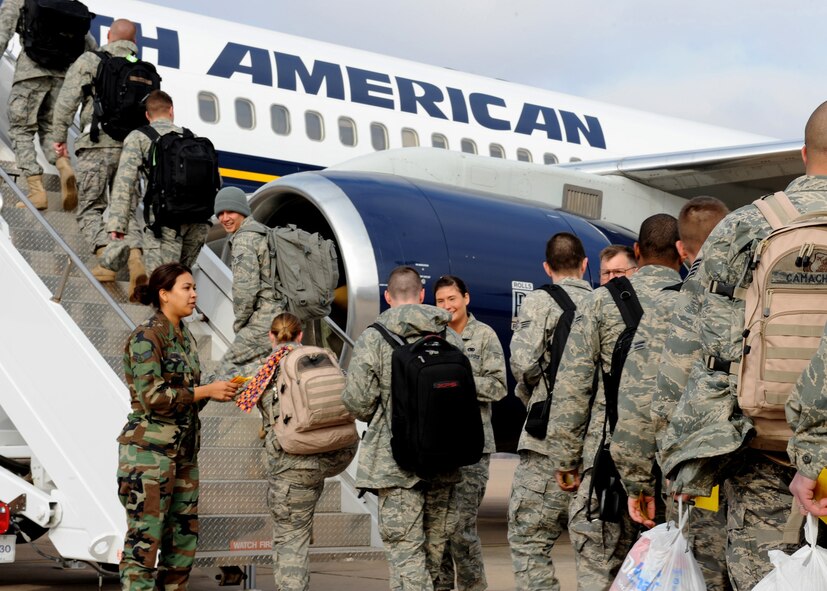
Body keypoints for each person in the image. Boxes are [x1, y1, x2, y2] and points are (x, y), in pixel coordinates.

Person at [659, 102, 827, 590]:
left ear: (802, 154)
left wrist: (680, 458)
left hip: (762, 453)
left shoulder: (744, 226)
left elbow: (684, 353)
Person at [548, 214, 681, 591]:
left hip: (605, 462)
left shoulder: (600, 303)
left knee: (599, 567)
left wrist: (565, 459)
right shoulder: (697, 300)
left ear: (638, 252)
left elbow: (573, 387)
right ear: (682, 253)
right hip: (676, 469)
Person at [610, 197, 731, 591]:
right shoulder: (757, 297)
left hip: (693, 475)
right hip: (769, 477)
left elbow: (639, 401)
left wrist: (637, 481)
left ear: (681, 250)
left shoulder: (669, 306)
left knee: (698, 574)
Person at [116, 262, 240, 589]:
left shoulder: (184, 336)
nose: (194, 293)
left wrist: (219, 390)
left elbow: (187, 397)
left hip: (183, 456)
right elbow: (152, 397)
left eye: (194, 287)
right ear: (164, 294)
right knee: (144, 544)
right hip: (149, 457)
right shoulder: (147, 337)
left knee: (182, 544)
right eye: (186, 288)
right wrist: (205, 390)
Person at [342, 265, 462, 590]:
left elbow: (359, 403)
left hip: (395, 465)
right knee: (432, 561)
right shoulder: (450, 336)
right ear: (422, 295)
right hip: (444, 464)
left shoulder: (373, 338)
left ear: (387, 296)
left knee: (406, 561)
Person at [233, 312, 357, 591]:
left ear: (271, 337)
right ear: (301, 335)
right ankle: (302, 524)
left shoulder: (267, 368)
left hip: (294, 465)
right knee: (301, 518)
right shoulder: (323, 357)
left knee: (291, 540)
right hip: (333, 454)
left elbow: (252, 402)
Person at [507, 232, 591, 591]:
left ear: (546, 266)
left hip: (548, 442)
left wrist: (535, 396)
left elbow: (523, 362)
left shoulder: (539, 302)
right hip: (596, 440)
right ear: (585, 265)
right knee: (593, 549)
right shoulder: (605, 301)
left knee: (529, 540)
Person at [49, 18, 146, 290]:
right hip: (131, 152)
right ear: (134, 42)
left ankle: (106, 259)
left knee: (91, 207)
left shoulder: (92, 60)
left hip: (96, 145)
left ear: (109, 35)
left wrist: (59, 141)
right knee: (124, 210)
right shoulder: (143, 69)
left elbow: (67, 102)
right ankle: (136, 258)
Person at [433, 275, 507, 591]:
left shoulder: (485, 336)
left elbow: (499, 386)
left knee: (462, 527)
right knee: (439, 528)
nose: (447, 306)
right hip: (437, 445)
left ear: (466, 297)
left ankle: (474, 586)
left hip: (474, 446)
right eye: (440, 301)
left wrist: (459, 383)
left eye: (452, 298)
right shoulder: (433, 337)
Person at [105, 90, 211, 281]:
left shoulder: (139, 137)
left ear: (147, 115)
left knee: (161, 284)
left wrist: (117, 226)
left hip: (164, 224)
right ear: (171, 111)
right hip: (197, 223)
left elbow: (124, 184)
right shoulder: (191, 137)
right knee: (180, 282)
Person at [0, 0, 96, 210]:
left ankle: (36, 191)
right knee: (51, 129)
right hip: (61, 77)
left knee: (21, 130)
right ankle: (64, 166)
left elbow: (3, 32)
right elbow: (89, 47)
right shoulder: (67, 6)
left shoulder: (21, 1)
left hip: (30, 74)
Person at [213, 185, 286, 370]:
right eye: (220, 213)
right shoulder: (262, 231)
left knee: (225, 372)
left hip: (263, 321)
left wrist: (240, 325)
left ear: (242, 211)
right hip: (282, 316)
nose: (224, 218)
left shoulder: (244, 240)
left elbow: (245, 291)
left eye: (230, 211)